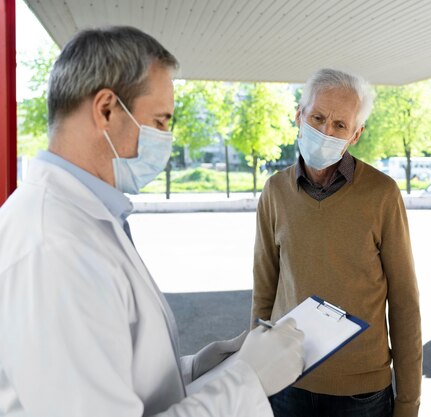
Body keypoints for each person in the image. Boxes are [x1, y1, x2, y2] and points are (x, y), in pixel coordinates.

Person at [0, 26, 305, 417]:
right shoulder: (55, 249)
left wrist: (197, 368)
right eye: (160, 122)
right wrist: (248, 380)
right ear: (106, 109)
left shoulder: (82, 220)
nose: (167, 138)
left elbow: (114, 375)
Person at [251, 68, 422, 417]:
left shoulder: (382, 194)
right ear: (299, 115)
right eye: (317, 117)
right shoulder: (275, 191)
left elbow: (404, 302)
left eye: (340, 125)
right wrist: (252, 375)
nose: (325, 131)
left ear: (355, 134)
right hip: (286, 384)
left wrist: (408, 402)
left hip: (361, 394)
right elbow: (264, 293)